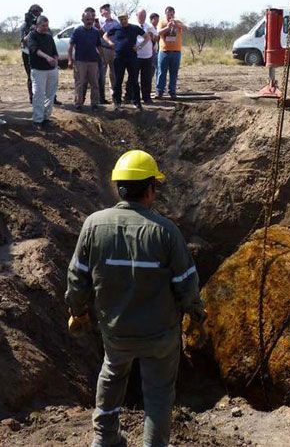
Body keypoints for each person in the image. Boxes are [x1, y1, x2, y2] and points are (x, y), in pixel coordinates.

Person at [65, 149, 205, 447]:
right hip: (160, 333)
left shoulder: (94, 225)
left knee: (113, 373)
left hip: (116, 330)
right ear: (151, 189)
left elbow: (77, 277)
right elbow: (187, 285)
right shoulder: (166, 232)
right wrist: (195, 316)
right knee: (158, 393)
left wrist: (78, 312)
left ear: (119, 187)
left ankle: (105, 439)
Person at [104, 12, 148, 111]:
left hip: (132, 57)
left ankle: (136, 102)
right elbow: (105, 36)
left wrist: (139, 46)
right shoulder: (116, 28)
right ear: (119, 20)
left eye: (124, 19)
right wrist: (110, 42)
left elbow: (147, 37)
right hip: (119, 57)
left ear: (127, 18)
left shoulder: (134, 28)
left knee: (134, 80)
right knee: (118, 80)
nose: (123, 21)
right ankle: (117, 102)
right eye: (121, 19)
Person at [27, 16, 60, 129]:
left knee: (50, 95)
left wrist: (55, 60)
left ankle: (46, 118)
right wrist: (47, 58)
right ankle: (37, 120)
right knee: (38, 95)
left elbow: (55, 51)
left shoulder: (49, 37)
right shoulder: (32, 35)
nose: (46, 28)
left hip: (51, 70)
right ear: (37, 25)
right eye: (43, 26)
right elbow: (35, 50)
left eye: (47, 25)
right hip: (38, 70)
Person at [68, 11, 102, 111]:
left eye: (91, 19)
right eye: (87, 19)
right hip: (80, 61)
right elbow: (70, 47)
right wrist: (70, 60)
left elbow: (99, 46)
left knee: (95, 83)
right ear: (83, 20)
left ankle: (94, 104)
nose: (89, 21)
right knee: (80, 83)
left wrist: (102, 58)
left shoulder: (96, 32)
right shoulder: (77, 31)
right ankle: (78, 103)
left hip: (93, 61)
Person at [156, 7, 186, 100]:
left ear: (174, 13)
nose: (170, 15)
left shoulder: (178, 22)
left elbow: (186, 28)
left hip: (176, 52)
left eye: (172, 13)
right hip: (164, 51)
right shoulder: (162, 22)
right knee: (162, 72)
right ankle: (159, 91)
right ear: (165, 14)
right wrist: (167, 27)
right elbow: (158, 32)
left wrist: (177, 25)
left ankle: (172, 92)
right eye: (168, 14)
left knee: (174, 73)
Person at [20, 4, 43, 103]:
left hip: (39, 53)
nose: (38, 15)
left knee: (43, 75)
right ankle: (32, 97)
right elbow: (23, 42)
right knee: (31, 75)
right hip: (28, 53)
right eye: (36, 12)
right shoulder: (25, 25)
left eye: (39, 13)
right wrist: (31, 31)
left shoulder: (42, 24)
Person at [135, 9, 158, 105]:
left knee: (147, 78)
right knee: (134, 77)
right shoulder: (133, 26)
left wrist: (152, 36)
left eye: (144, 15)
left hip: (147, 56)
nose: (142, 17)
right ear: (136, 15)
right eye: (140, 15)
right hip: (136, 56)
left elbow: (157, 38)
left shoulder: (149, 26)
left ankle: (146, 98)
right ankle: (134, 97)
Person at [99, 4, 119, 104]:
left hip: (114, 50)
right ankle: (101, 97)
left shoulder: (116, 22)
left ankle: (114, 95)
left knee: (113, 74)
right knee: (101, 74)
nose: (107, 11)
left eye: (108, 9)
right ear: (101, 12)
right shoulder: (99, 22)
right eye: (104, 10)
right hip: (104, 49)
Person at [149, 13, 160, 90]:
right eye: (155, 19)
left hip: (157, 51)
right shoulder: (149, 28)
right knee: (151, 70)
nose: (157, 21)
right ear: (151, 20)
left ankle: (158, 87)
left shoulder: (158, 28)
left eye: (158, 20)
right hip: (150, 52)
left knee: (158, 69)